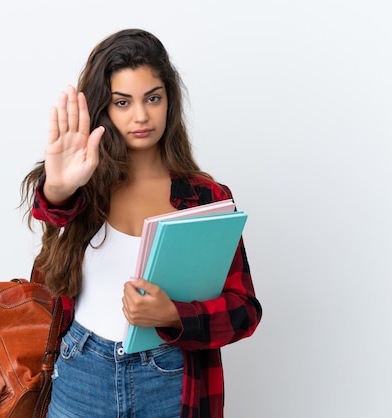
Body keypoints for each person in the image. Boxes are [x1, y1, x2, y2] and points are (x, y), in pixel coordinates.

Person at [21, 28, 262, 418]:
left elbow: (244, 309)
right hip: (80, 371)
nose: (141, 116)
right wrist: (60, 187)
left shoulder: (205, 199)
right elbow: (49, 212)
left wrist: (173, 316)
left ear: (170, 100)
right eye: (122, 102)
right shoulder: (85, 182)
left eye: (153, 98)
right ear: (104, 108)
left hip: (169, 377)